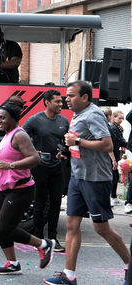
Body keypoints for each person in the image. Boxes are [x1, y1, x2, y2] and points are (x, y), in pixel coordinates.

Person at [43, 80, 130, 285]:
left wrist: (78, 142)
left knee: (102, 229)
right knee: (73, 225)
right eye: (67, 95)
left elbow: (106, 143)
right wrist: (69, 151)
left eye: (71, 95)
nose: (67, 99)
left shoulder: (93, 114)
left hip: (95, 179)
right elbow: (81, 143)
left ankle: (130, 265)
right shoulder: (78, 114)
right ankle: (69, 275)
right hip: (78, 176)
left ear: (84, 97)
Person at [0, 96, 55, 275]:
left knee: (6, 227)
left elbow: (35, 159)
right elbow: (4, 162)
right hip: (3, 188)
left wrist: (11, 166)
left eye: (2, 118)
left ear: (13, 118)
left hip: (20, 190)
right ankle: (12, 263)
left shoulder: (19, 135)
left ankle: (44, 244)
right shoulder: (7, 136)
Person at [22, 89, 69, 252]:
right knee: (40, 203)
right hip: (40, 167)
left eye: (61, 101)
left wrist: (64, 150)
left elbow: (66, 141)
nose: (60, 104)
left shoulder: (64, 120)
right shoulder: (35, 120)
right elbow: (21, 136)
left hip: (57, 168)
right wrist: (33, 150)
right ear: (47, 102)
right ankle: (38, 239)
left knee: (56, 204)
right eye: (57, 101)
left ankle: (53, 238)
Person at [110, 110, 127, 206]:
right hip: (113, 154)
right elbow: (119, 141)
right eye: (119, 118)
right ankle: (113, 198)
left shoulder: (117, 128)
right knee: (114, 176)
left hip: (116, 153)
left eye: (122, 118)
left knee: (115, 176)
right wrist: (128, 144)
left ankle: (114, 197)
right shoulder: (114, 128)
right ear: (114, 117)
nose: (121, 120)